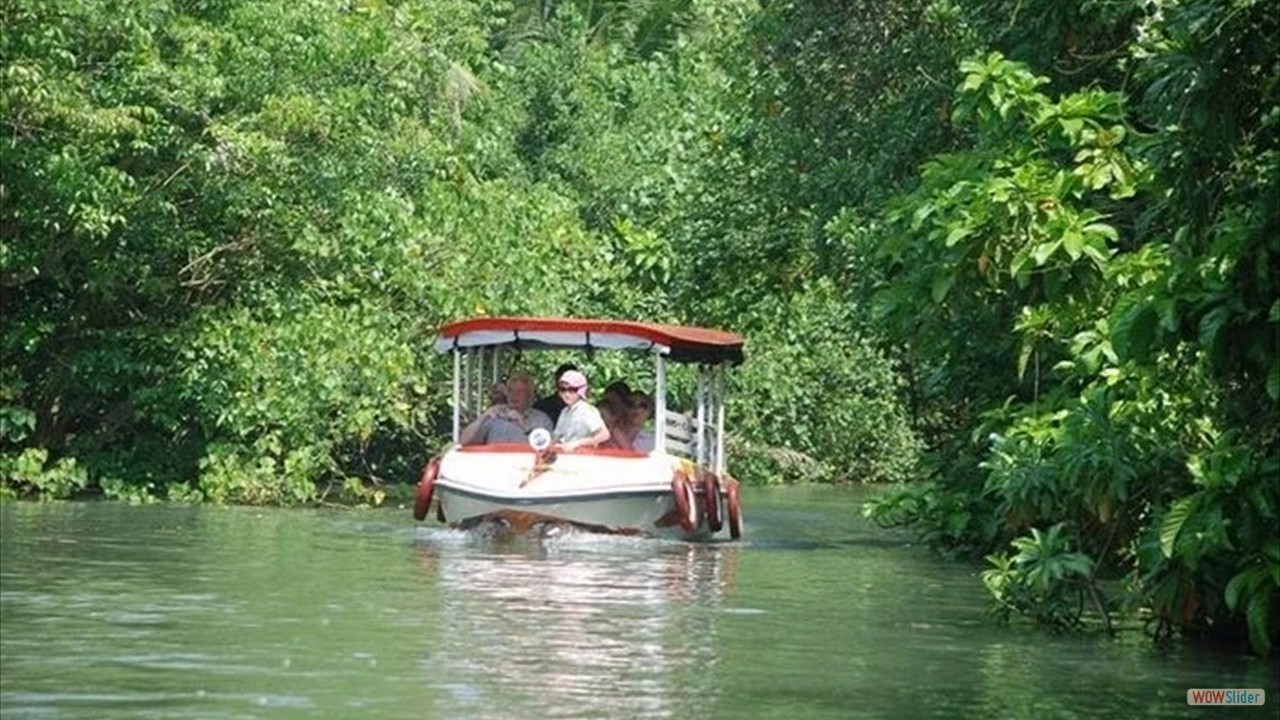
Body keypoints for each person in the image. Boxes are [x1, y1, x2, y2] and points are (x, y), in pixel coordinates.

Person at [460, 372, 553, 446]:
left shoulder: (542, 419)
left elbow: (546, 448)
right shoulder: (496, 414)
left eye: (520, 391)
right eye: (511, 390)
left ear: (530, 396)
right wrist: (484, 417)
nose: (514, 395)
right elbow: (463, 441)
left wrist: (523, 425)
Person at [552, 369, 610, 451]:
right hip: (566, 458)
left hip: (583, 458)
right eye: (562, 389)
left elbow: (604, 435)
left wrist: (577, 444)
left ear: (581, 390)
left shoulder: (586, 411)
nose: (566, 394)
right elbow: (555, 437)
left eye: (572, 390)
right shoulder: (564, 412)